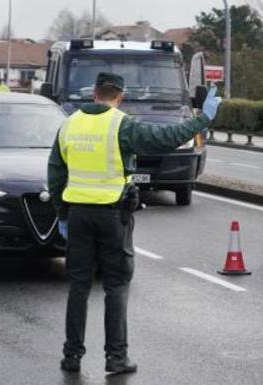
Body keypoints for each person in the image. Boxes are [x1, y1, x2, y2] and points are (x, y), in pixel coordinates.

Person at [48, 72, 221, 374]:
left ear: (94, 94)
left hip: (77, 215)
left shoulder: (68, 124)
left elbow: (55, 173)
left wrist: (62, 213)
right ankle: (116, 357)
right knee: (116, 285)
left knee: (78, 285)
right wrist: (201, 119)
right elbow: (165, 139)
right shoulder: (121, 125)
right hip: (112, 216)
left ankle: (71, 356)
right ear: (120, 96)